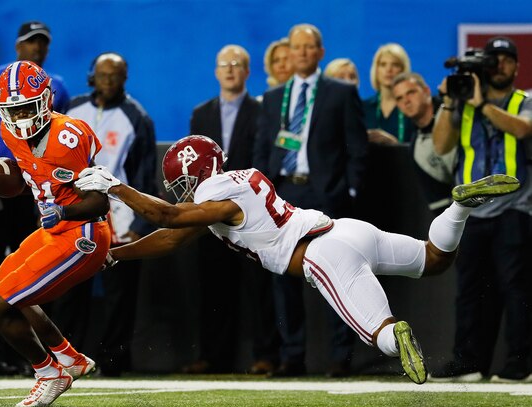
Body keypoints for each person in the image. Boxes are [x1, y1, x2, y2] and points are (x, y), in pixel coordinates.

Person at [75, 135, 521, 386]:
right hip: (347, 229)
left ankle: (395, 333)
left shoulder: (213, 197)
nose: (181, 192)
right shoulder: (238, 180)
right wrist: (117, 253)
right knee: (434, 258)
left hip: (322, 255)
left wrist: (115, 187)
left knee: (378, 330)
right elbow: (172, 238)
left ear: (194, 177)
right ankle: (459, 207)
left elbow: (166, 215)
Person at [0, 60, 111, 407]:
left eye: (25, 108)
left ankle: (49, 373)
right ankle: (69, 358)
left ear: (46, 100)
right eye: (12, 110)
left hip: (84, 233)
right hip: (54, 229)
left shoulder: (69, 135)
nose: (19, 118)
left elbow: (97, 201)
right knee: (4, 284)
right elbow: (34, 182)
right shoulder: (9, 134)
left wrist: (64, 211)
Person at [254, 23, 368, 378]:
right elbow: (263, 147)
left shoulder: (340, 92)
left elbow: (357, 149)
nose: (302, 53)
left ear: (320, 53)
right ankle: (292, 357)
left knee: (337, 274)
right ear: (288, 53)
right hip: (283, 196)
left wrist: (347, 192)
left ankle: (340, 357)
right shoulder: (274, 98)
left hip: (325, 194)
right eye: (297, 47)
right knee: (283, 280)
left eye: (309, 47)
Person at [431, 36, 532, 383]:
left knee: (516, 287)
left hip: (515, 207)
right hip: (472, 210)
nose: (500, 65)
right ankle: (468, 363)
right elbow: (441, 145)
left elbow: (523, 129)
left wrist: (483, 103)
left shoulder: (524, 99)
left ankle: (522, 364)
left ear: (517, 67)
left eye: (507, 60)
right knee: (471, 291)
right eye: (494, 60)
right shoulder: (463, 102)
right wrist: (448, 102)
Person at [185, 44, 278, 375]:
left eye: (236, 64)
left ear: (247, 72)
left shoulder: (263, 110)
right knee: (213, 284)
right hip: (212, 212)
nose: (229, 69)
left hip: (251, 212)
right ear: (215, 71)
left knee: (259, 288)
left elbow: (264, 157)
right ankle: (212, 356)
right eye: (224, 64)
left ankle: (266, 354)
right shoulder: (201, 114)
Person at [63, 52, 157, 376]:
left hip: (119, 215)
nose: (107, 81)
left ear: (125, 78)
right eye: (102, 74)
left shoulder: (137, 117)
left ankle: (113, 362)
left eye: (114, 75)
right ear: (92, 75)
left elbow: (145, 176)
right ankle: (65, 358)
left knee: (120, 294)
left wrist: (140, 225)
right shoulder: (72, 110)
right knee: (69, 286)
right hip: (74, 208)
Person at [0, 21, 70, 283]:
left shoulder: (56, 85)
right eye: (31, 40)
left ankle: (30, 312)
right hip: (1, 178)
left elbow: (60, 135)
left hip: (36, 184)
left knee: (35, 253)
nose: (37, 46)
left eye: (42, 41)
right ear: (18, 45)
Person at [392, 72, 457, 214]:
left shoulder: (455, 109)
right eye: (399, 98)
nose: (406, 101)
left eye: (411, 92)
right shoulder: (416, 149)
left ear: (427, 91)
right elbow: (438, 202)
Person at [363, 43, 415, 145]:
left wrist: (394, 144)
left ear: (403, 70)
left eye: (395, 65)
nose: (389, 70)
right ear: (376, 70)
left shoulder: (411, 108)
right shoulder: (363, 107)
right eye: (383, 64)